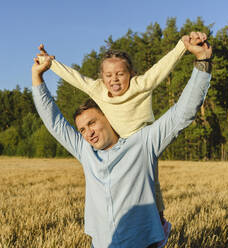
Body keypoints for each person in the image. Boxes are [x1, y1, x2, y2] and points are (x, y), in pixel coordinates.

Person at [31, 36, 212, 247]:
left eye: (92, 123)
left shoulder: (143, 144)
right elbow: (54, 122)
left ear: (108, 118)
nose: (87, 133)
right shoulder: (86, 152)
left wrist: (202, 62)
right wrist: (37, 76)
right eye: (82, 129)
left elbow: (183, 112)